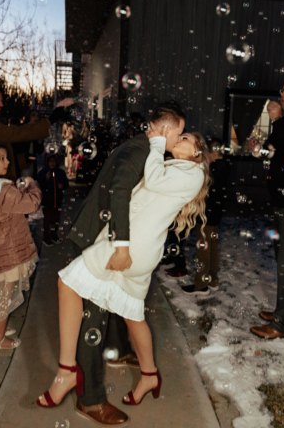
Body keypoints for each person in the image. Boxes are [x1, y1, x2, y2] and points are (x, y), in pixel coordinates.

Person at [36, 125, 210, 420]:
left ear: (196, 152)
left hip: (127, 248)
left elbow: (153, 180)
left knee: (67, 282)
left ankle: (66, 370)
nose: (177, 139)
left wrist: (155, 143)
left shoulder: (191, 173)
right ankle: (149, 375)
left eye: (184, 137)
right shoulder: (181, 170)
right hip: (141, 250)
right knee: (132, 314)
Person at [0, 86, 73, 306]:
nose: (1, 103)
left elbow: (10, 141)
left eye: (1, 100)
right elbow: (15, 135)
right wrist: (52, 117)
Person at [0, 144, 42, 354]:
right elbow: (31, 204)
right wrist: (32, 185)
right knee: (5, 296)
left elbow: (2, 207)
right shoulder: (3, 188)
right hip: (10, 250)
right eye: (1, 159)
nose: (8, 162)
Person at [248, 80, 284, 339]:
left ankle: (283, 324)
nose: (282, 94)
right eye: (282, 89)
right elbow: (281, 152)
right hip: (283, 201)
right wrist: (261, 151)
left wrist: (275, 121)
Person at [182, 138, 230, 295]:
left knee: (203, 250)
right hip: (215, 216)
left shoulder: (212, 170)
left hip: (206, 216)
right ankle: (213, 279)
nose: (204, 156)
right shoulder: (225, 166)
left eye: (207, 153)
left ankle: (201, 285)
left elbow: (204, 193)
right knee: (213, 248)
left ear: (214, 153)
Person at [37, 153, 69, 247]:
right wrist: (46, 179)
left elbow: (66, 184)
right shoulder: (43, 172)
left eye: (54, 161)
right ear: (47, 162)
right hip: (47, 202)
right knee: (47, 220)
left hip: (57, 201)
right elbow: (39, 185)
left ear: (57, 162)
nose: (52, 163)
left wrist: (62, 185)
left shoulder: (60, 172)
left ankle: (54, 236)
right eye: (50, 161)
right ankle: (46, 237)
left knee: (56, 220)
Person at [13, 109, 45, 179]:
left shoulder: (37, 132)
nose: (36, 118)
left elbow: (40, 151)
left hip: (31, 162)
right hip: (21, 161)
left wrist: (40, 141)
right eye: (33, 115)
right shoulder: (21, 128)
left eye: (38, 116)